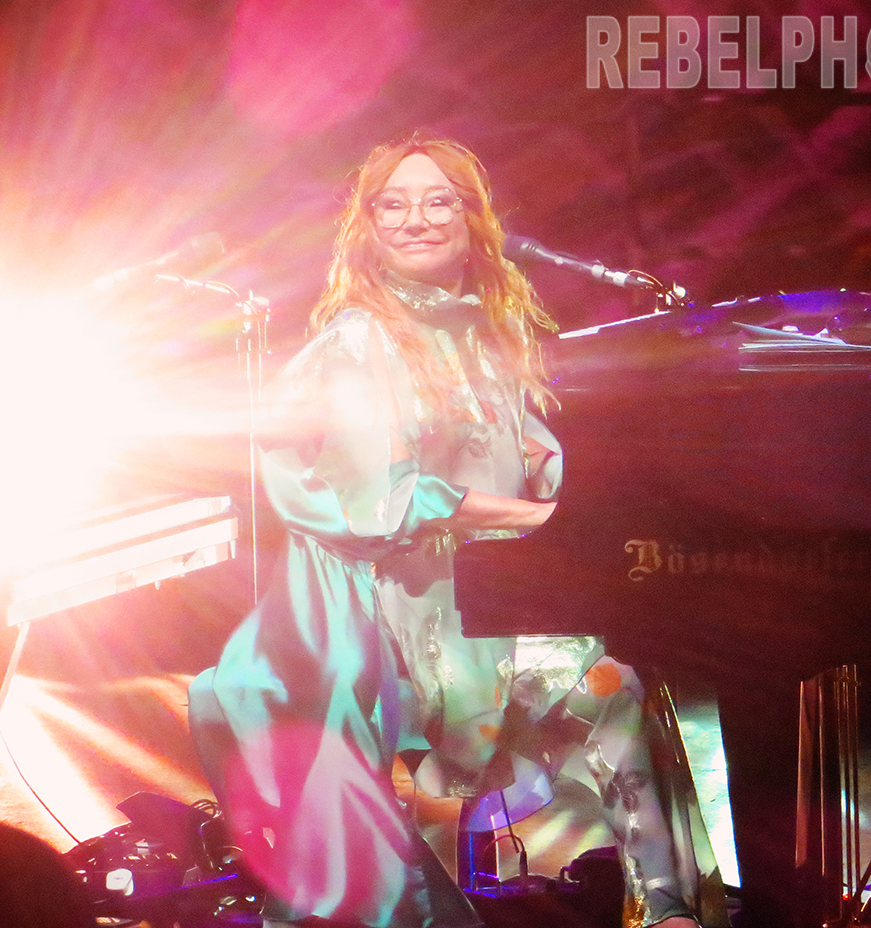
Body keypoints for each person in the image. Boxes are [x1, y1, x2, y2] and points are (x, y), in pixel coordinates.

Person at [188, 136, 723, 928]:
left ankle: (672, 912)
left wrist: (606, 496)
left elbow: (524, 446)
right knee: (457, 755)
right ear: (366, 227)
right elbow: (392, 498)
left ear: (472, 219)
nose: (416, 219)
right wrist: (540, 518)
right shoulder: (358, 344)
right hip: (379, 624)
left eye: (438, 199)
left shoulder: (479, 330)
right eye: (392, 204)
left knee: (614, 694)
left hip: (476, 604)